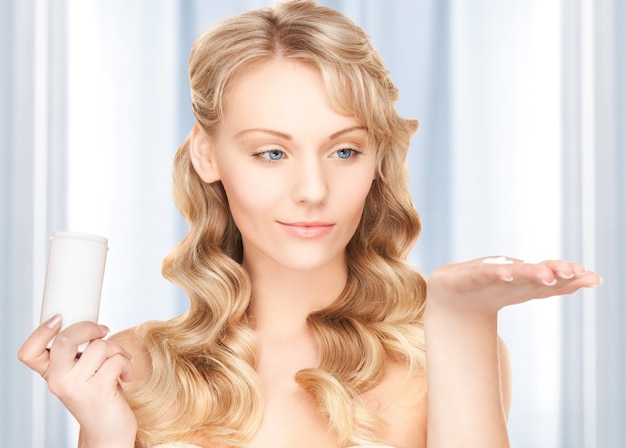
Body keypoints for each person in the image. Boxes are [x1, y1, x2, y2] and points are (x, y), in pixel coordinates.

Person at [18, 1, 602, 447]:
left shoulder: (439, 355)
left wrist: (458, 315)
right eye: (271, 153)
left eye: (344, 151)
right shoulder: (132, 368)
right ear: (207, 155)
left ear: (378, 159)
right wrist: (103, 433)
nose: (314, 191)